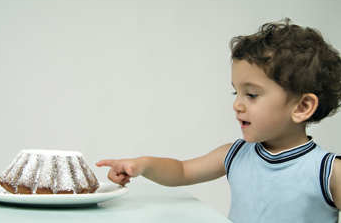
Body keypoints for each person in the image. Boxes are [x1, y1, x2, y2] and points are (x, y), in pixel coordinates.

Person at [96, 18, 341, 223]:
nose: (237, 104)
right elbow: (182, 171)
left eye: (252, 94)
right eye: (237, 93)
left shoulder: (329, 172)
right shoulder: (235, 155)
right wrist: (143, 165)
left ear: (302, 107)